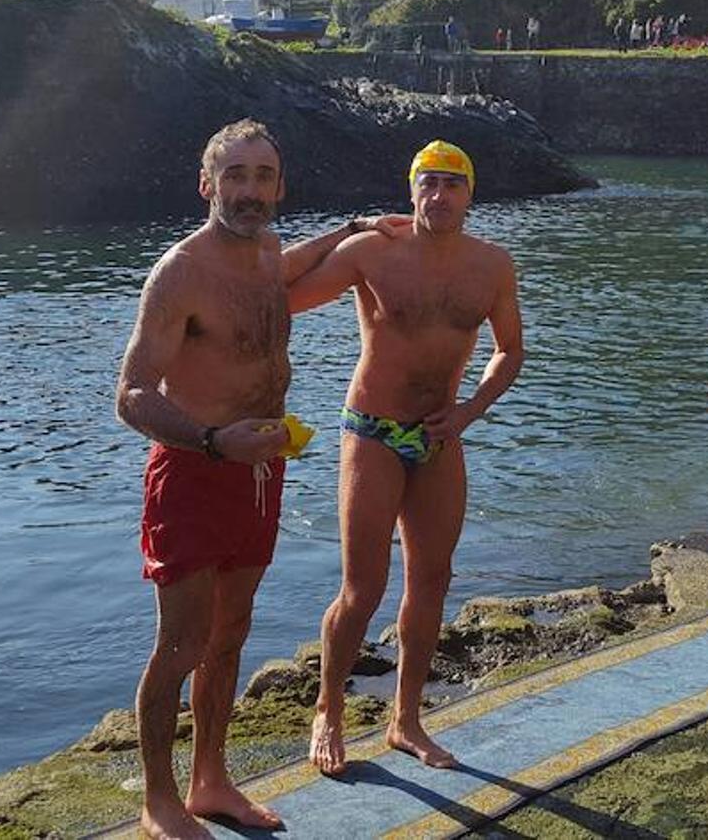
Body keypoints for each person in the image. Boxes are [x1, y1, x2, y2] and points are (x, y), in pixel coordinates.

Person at [115, 119, 402, 838]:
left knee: (230, 634)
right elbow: (132, 394)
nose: (249, 191)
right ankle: (159, 800)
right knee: (180, 645)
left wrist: (350, 231)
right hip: (193, 471)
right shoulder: (180, 272)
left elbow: (285, 270)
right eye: (234, 175)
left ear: (279, 187)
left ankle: (210, 780)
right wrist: (214, 441)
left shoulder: (267, 248)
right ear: (207, 184)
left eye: (262, 176)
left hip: (261, 473)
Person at [291, 140, 524, 776]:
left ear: (470, 194)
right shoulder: (373, 251)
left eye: (452, 183)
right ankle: (329, 708)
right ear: (411, 190)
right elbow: (279, 291)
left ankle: (406, 720)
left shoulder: (493, 265)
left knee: (432, 579)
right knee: (362, 588)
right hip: (372, 431)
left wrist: (471, 409)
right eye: (428, 182)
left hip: (440, 436)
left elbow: (509, 349)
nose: (439, 195)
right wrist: (348, 228)